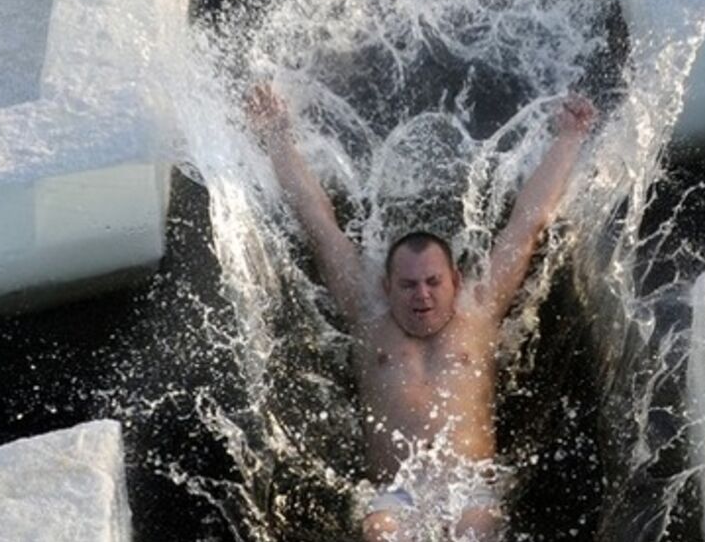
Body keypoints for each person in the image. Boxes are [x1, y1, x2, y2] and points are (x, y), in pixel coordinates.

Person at [246, 83, 599, 542]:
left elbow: (525, 224)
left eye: (433, 283)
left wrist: (568, 138)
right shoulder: (368, 315)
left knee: (475, 532)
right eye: (409, 285)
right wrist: (276, 133)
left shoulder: (479, 311)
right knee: (383, 535)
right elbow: (320, 225)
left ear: (455, 280)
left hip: (471, 491)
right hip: (395, 494)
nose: (422, 296)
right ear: (387, 286)